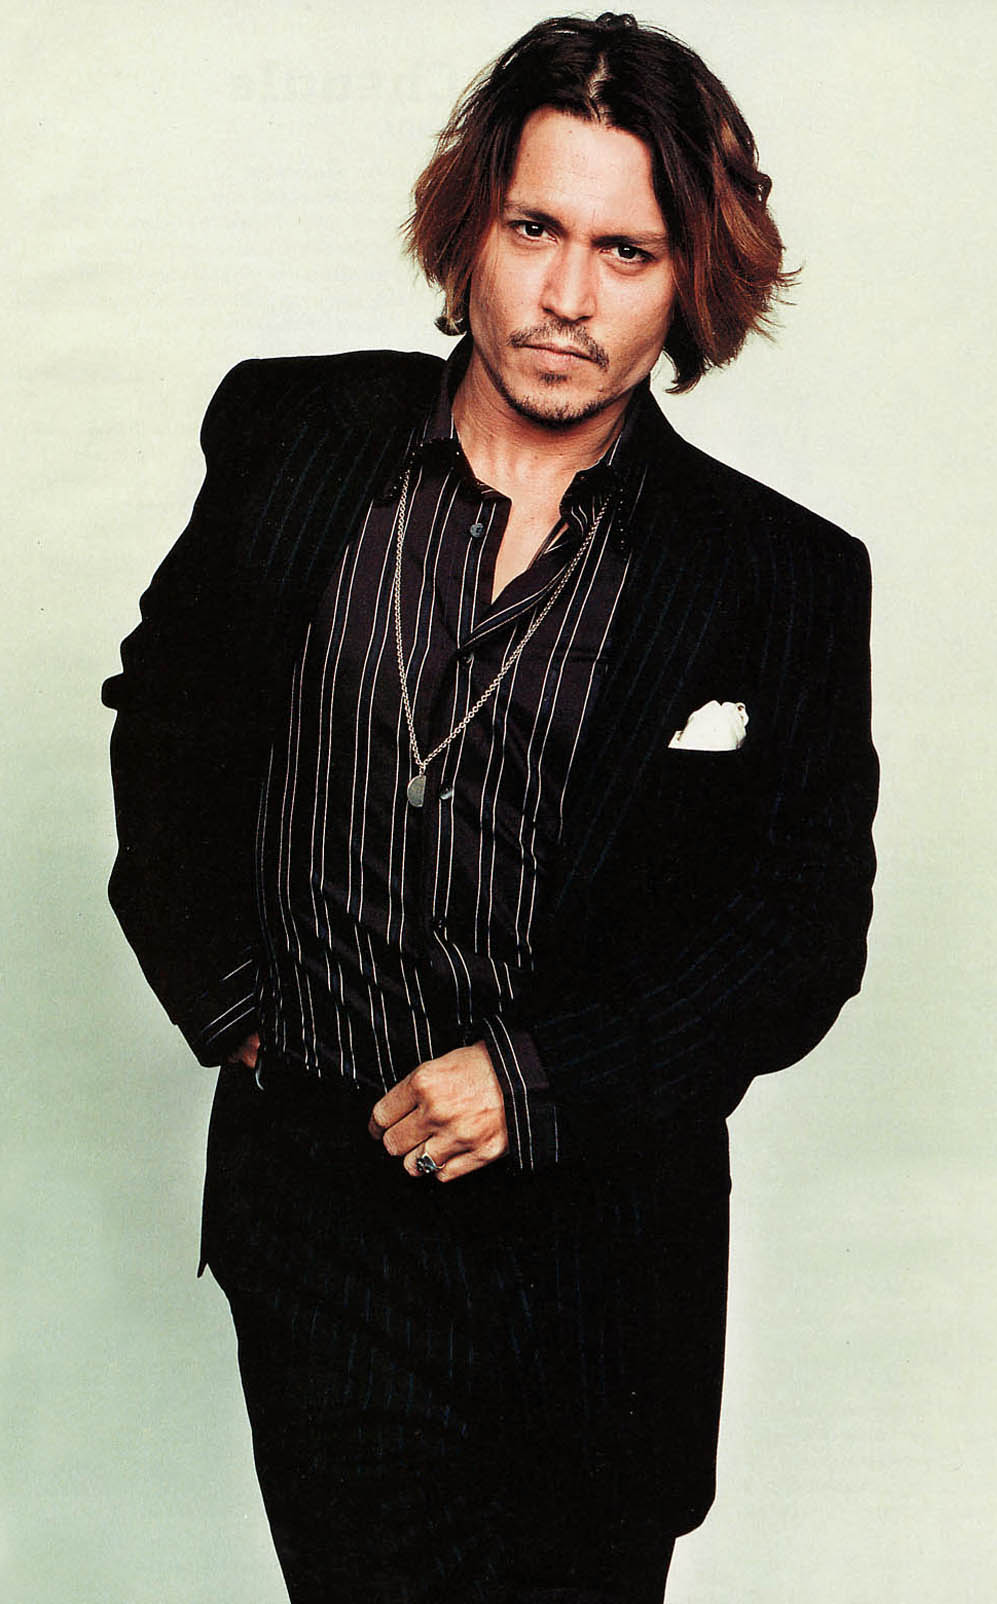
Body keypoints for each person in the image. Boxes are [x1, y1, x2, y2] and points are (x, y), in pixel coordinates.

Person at [102, 13, 878, 1603]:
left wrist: (537, 1080)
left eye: (626, 251)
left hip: (602, 1270)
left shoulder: (778, 576)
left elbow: (800, 932)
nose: (567, 296)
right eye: (535, 230)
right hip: (325, 1225)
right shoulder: (291, 440)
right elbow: (165, 725)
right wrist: (231, 1000)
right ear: (470, 230)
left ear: (691, 282)